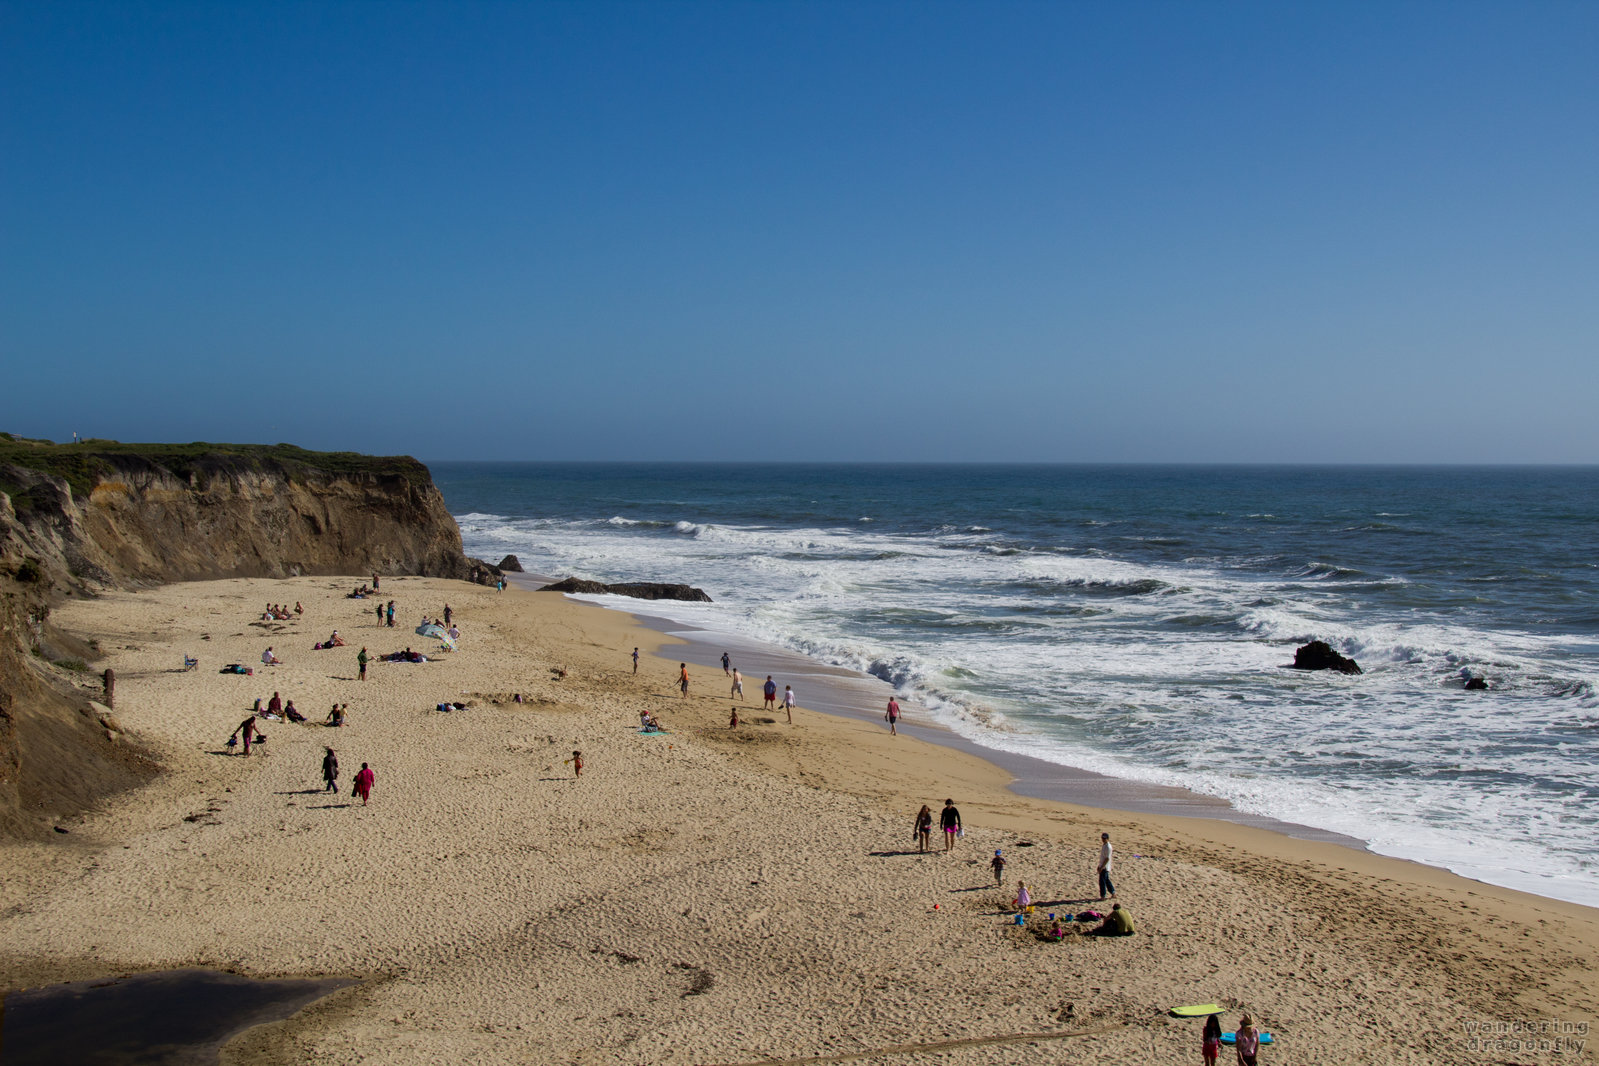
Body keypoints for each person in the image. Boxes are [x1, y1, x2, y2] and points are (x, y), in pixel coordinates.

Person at [1097, 832, 1116, 900]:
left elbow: (1107, 858)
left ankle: (1103, 896)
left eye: (1104, 838)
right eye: (1102, 838)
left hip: (1105, 867)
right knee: (1106, 880)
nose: (1103, 839)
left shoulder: (1108, 846)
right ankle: (1113, 892)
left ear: (1107, 839)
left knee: (1102, 882)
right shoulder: (1104, 845)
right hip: (1102, 865)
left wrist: (1102, 867)